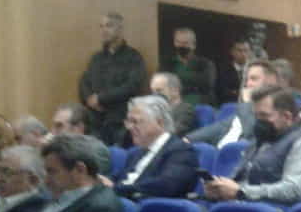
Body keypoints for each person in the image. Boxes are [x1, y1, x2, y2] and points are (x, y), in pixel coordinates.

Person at [204, 87, 301, 205]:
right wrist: (221, 189)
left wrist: (241, 191)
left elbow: (296, 189)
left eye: (264, 116)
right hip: (242, 206)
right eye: (256, 116)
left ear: (287, 117)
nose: (259, 122)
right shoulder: (261, 141)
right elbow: (241, 180)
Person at [110, 95, 199, 199]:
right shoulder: (135, 153)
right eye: (128, 122)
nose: (129, 127)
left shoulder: (181, 151)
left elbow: (166, 185)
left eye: (135, 122)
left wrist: (121, 189)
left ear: (159, 123)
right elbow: (118, 180)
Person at [78, 12, 146, 146]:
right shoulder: (96, 58)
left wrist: (101, 98)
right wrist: (89, 99)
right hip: (96, 121)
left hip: (120, 120)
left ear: (120, 29)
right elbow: (84, 81)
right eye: (101, 26)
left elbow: (132, 86)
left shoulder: (133, 57)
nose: (104, 30)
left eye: (109, 26)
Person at [186, 59, 280, 148]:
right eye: (247, 80)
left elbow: (250, 133)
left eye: (254, 79)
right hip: (221, 152)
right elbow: (219, 127)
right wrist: (188, 139)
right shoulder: (243, 109)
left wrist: (248, 104)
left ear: (271, 81)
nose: (248, 84)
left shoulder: (276, 109)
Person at [51, 103, 113, 176]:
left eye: (59, 126)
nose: (52, 132)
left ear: (78, 128)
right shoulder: (56, 150)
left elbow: (93, 181)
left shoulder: (96, 151)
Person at [159, 27, 216, 106]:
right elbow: (161, 83)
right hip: (173, 104)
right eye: (178, 42)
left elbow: (207, 83)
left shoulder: (205, 64)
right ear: (174, 43)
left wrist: (177, 79)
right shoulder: (167, 63)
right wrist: (193, 81)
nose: (181, 46)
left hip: (200, 104)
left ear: (194, 45)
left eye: (185, 43)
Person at [149, 72, 198, 137]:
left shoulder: (186, 110)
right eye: (153, 91)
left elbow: (173, 132)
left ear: (175, 91)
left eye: (159, 90)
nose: (154, 95)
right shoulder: (153, 110)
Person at [216, 39, 250, 106]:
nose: (243, 54)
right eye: (239, 50)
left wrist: (235, 92)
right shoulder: (223, 70)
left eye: (246, 51)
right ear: (232, 52)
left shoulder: (254, 69)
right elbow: (223, 92)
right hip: (230, 105)